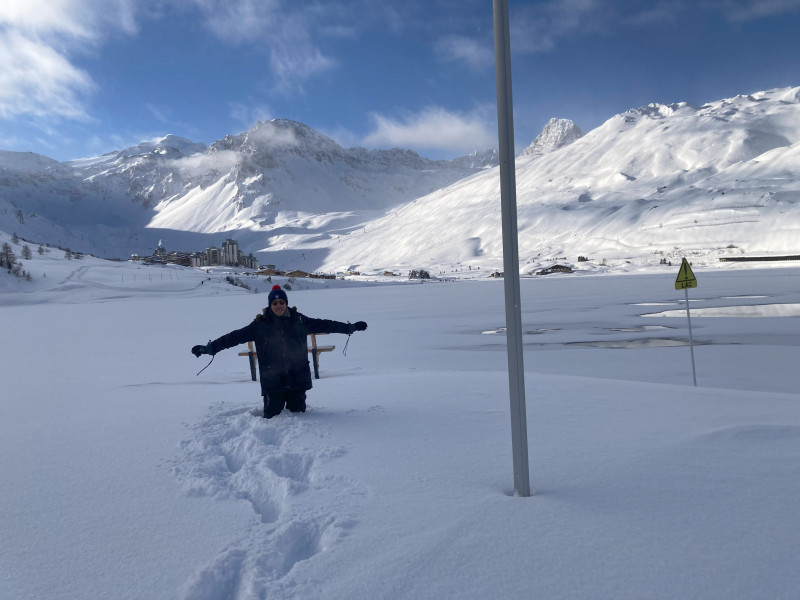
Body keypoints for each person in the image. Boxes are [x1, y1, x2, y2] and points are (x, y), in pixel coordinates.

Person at [192, 285, 367, 418]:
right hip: (272, 380)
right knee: (272, 414)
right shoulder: (260, 325)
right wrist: (209, 348)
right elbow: (233, 337)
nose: (278, 306)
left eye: (281, 302)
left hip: (297, 377)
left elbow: (325, 324)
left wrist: (349, 327)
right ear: (270, 305)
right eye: (274, 303)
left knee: (298, 414)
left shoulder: (299, 320)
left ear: (286, 303)